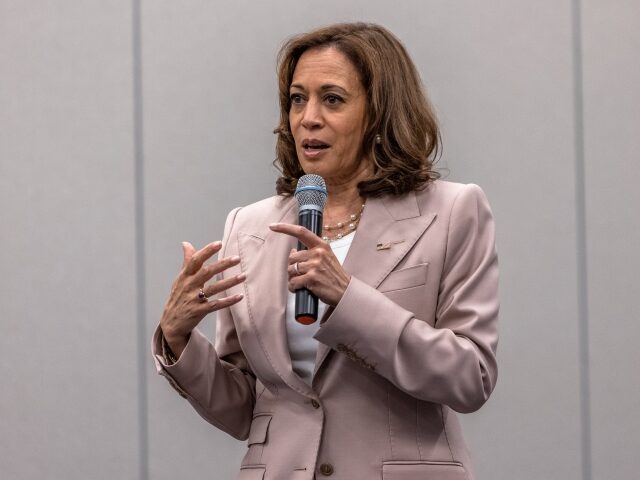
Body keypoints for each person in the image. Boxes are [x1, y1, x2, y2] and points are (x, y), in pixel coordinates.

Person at [152, 22, 499, 480]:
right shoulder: (249, 226)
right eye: (298, 99)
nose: (307, 118)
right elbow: (251, 411)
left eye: (331, 99)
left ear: (379, 113)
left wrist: (349, 299)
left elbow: (469, 377)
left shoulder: (452, 211)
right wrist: (178, 340)